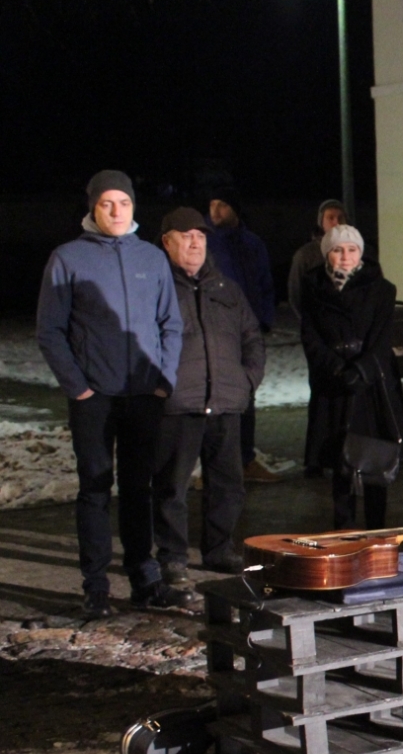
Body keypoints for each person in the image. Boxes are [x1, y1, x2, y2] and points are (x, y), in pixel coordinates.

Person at [37, 170, 186, 617]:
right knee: (96, 489)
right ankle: (96, 586)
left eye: (123, 202)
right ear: (93, 208)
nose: (117, 210)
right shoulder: (67, 259)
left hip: (143, 394)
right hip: (94, 397)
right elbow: (50, 330)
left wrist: (164, 379)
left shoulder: (152, 258)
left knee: (139, 488)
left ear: (134, 206)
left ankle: (144, 579)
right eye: (107, 203)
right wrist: (78, 387)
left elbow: (171, 324)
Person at [150, 207, 264, 584]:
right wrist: (160, 385)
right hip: (179, 405)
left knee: (228, 484)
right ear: (167, 242)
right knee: (172, 487)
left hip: (226, 403)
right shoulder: (155, 286)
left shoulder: (225, 288)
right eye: (185, 235)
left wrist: (246, 381)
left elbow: (252, 338)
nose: (195, 242)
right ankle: (173, 556)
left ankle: (218, 550)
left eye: (200, 236)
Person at [300, 225, 403, 529]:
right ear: (326, 254)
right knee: (340, 466)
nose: (345, 256)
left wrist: (361, 370)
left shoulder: (382, 289)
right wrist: (335, 368)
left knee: (375, 462)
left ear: (360, 253)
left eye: (351, 249)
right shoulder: (313, 288)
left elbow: (382, 340)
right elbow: (310, 337)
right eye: (337, 250)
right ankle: (343, 533)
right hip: (333, 386)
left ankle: (376, 533)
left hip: (370, 387)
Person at [207, 188, 281, 484]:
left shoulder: (252, 244)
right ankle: (213, 464)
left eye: (222, 205)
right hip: (215, 332)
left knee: (246, 395)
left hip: (247, 331)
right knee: (214, 397)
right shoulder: (205, 242)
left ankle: (245, 458)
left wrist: (264, 320)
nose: (215, 211)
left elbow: (265, 283)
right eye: (212, 204)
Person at [288, 199, 346, 316]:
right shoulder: (306, 255)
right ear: (321, 223)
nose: (337, 223)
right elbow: (296, 295)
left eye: (340, 218)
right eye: (330, 218)